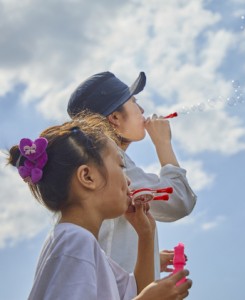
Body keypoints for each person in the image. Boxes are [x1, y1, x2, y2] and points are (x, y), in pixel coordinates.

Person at [7, 113, 192, 300]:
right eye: (121, 166)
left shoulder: (83, 245)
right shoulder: (75, 242)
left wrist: (146, 235)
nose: (127, 179)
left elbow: (135, 293)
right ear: (88, 177)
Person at [67, 71, 197, 276]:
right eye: (135, 102)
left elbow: (110, 239)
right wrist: (163, 143)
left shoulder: (93, 162)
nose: (143, 109)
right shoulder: (112, 165)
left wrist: (150, 259)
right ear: (115, 118)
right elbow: (179, 202)